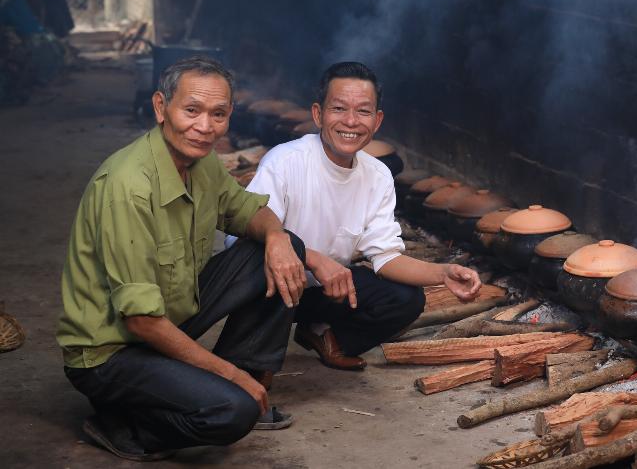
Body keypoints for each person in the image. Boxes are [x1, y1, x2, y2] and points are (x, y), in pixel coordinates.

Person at [56, 56, 308, 461]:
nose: (205, 127)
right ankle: (127, 422)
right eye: (191, 110)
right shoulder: (128, 185)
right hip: (112, 351)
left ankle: (216, 383)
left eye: (218, 114)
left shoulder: (201, 161)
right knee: (232, 413)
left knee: (286, 248)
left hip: (169, 315)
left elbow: (247, 212)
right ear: (161, 107)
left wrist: (277, 235)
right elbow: (139, 319)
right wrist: (228, 376)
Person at [237, 61, 482, 371]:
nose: (351, 121)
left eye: (363, 111)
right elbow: (247, 233)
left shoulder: (378, 176)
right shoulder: (284, 163)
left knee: (405, 298)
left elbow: (386, 258)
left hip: (326, 291)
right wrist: (311, 258)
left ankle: (328, 338)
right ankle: (252, 362)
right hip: (271, 284)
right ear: (318, 114)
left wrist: (443, 273)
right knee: (252, 388)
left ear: (377, 121)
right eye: (339, 109)